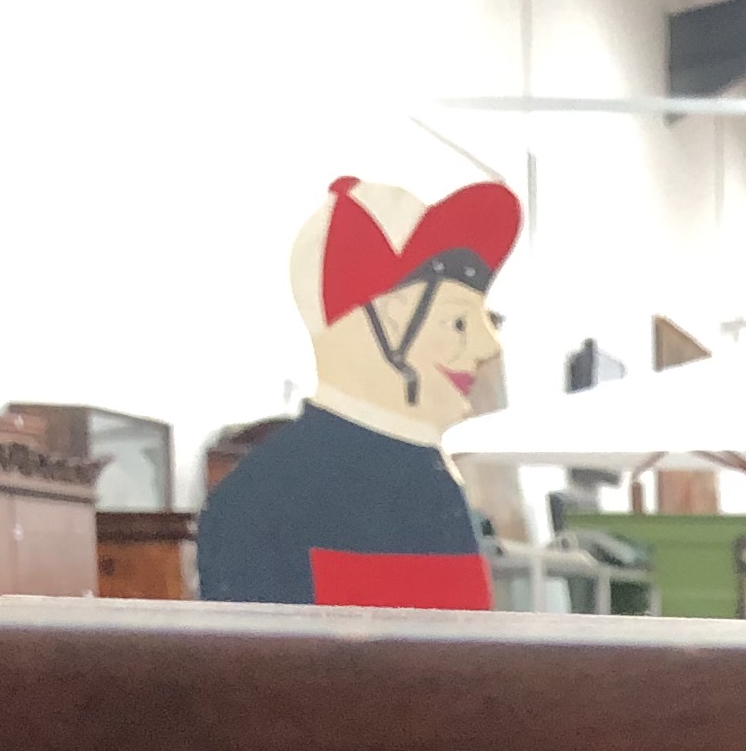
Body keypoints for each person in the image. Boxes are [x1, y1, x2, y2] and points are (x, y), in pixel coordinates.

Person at [199, 176, 520, 608]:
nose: (488, 347)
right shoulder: (265, 505)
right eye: (457, 323)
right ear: (386, 321)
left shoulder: (426, 480)